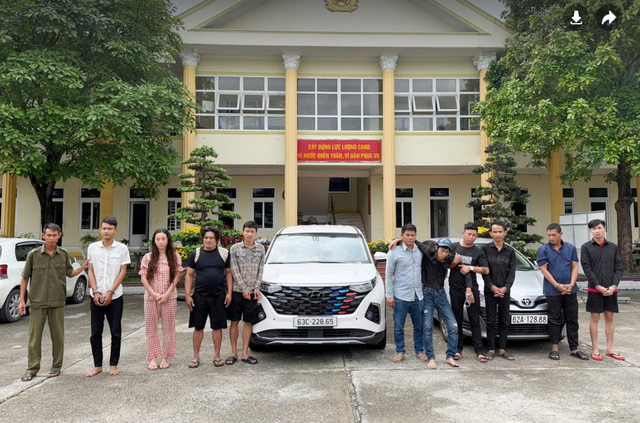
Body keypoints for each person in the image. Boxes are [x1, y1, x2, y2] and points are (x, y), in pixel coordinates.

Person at [18, 223, 90, 382]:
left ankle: (56, 366)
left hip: (57, 301)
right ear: (43, 236)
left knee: (57, 336)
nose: (51, 238)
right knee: (34, 338)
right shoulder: (33, 255)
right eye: (48, 235)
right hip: (37, 301)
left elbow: (70, 273)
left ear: (59, 236)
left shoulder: (63, 254)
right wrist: (22, 300)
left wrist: (83, 267)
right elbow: (24, 278)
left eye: (54, 235)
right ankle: (32, 368)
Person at [390, 237, 462, 369]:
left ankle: (450, 356)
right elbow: (413, 240)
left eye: (447, 252)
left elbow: (458, 261)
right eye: (442, 250)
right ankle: (431, 357)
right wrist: (397, 240)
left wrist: (456, 261)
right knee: (427, 327)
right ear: (437, 247)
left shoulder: (449, 258)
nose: (444, 254)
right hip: (427, 293)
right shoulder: (428, 252)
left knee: (453, 326)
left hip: (441, 294)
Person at [86, 216, 131, 377]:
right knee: (95, 332)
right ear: (100, 230)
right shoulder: (92, 248)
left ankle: (113, 364)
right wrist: (95, 291)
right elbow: (90, 270)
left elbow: (123, 271)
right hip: (96, 296)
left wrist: (111, 291)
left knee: (115, 331)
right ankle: (97, 365)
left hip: (115, 296)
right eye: (104, 228)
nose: (106, 231)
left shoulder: (122, 249)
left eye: (110, 229)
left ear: (115, 230)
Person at [537, 223, 588, 361]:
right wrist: (557, 285)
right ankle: (554, 347)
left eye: (554, 235)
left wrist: (571, 285)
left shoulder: (570, 248)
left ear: (560, 234)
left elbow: (574, 267)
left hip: (570, 289)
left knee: (572, 318)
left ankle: (574, 348)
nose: (551, 238)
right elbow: (544, 269)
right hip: (552, 290)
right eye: (549, 235)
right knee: (554, 318)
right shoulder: (543, 249)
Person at [184, 226, 232, 368]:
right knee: (198, 327)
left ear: (217, 240)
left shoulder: (224, 253)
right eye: (206, 238)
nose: (208, 240)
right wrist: (187, 295)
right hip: (199, 297)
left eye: (211, 238)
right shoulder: (196, 253)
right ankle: (195, 357)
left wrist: (229, 293)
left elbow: (229, 273)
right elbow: (189, 274)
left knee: (217, 327)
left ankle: (217, 356)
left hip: (218, 297)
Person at [581, 219, 624, 362]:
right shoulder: (586, 247)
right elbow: (587, 268)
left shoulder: (613, 247)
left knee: (609, 317)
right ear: (590, 231)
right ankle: (595, 348)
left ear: (605, 229)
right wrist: (597, 285)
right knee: (595, 317)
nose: (597, 231)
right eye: (593, 229)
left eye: (599, 228)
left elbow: (618, 268)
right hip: (595, 289)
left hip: (611, 289)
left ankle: (610, 349)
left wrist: (614, 285)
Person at [139, 229, 183, 370]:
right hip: (151, 298)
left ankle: (165, 357)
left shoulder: (174, 257)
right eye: (158, 239)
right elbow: (143, 277)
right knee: (151, 328)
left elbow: (177, 276)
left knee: (168, 328)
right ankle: (152, 358)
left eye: (163, 239)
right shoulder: (148, 257)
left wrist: (167, 293)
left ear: (168, 240)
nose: (160, 242)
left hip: (169, 297)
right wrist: (153, 293)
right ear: (154, 241)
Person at [449, 223, 490, 362]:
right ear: (463, 234)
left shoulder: (478, 251)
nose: (471, 237)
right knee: (457, 319)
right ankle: (457, 350)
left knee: (474, 320)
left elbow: (486, 270)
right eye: (469, 234)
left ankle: (479, 351)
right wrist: (455, 261)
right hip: (455, 288)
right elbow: (448, 265)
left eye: (474, 235)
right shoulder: (454, 247)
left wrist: (470, 268)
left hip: (472, 289)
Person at [227, 221, 265, 366]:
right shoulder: (235, 248)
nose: (249, 234)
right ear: (242, 232)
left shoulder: (260, 248)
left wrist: (256, 287)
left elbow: (261, 269)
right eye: (247, 231)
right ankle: (233, 353)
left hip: (253, 293)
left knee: (248, 322)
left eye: (252, 231)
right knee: (234, 322)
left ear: (256, 233)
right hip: (238, 291)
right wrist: (244, 288)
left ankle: (244, 353)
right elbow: (234, 269)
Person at [385, 224, 424, 363]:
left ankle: (419, 350)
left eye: (413, 235)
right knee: (398, 326)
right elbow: (388, 274)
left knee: (419, 326)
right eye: (407, 235)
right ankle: (400, 351)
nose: (410, 238)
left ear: (416, 236)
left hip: (418, 295)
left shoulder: (420, 250)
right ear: (402, 236)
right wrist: (389, 295)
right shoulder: (394, 252)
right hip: (400, 295)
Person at [481, 221, 516, 361]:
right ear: (491, 233)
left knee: (504, 320)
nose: (497, 234)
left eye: (500, 231)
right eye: (494, 232)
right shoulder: (485, 249)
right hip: (490, 290)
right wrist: (492, 287)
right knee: (490, 320)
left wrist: (505, 288)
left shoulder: (510, 251)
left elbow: (512, 272)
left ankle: (502, 349)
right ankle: (491, 348)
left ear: (505, 233)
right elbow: (484, 271)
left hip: (504, 291)